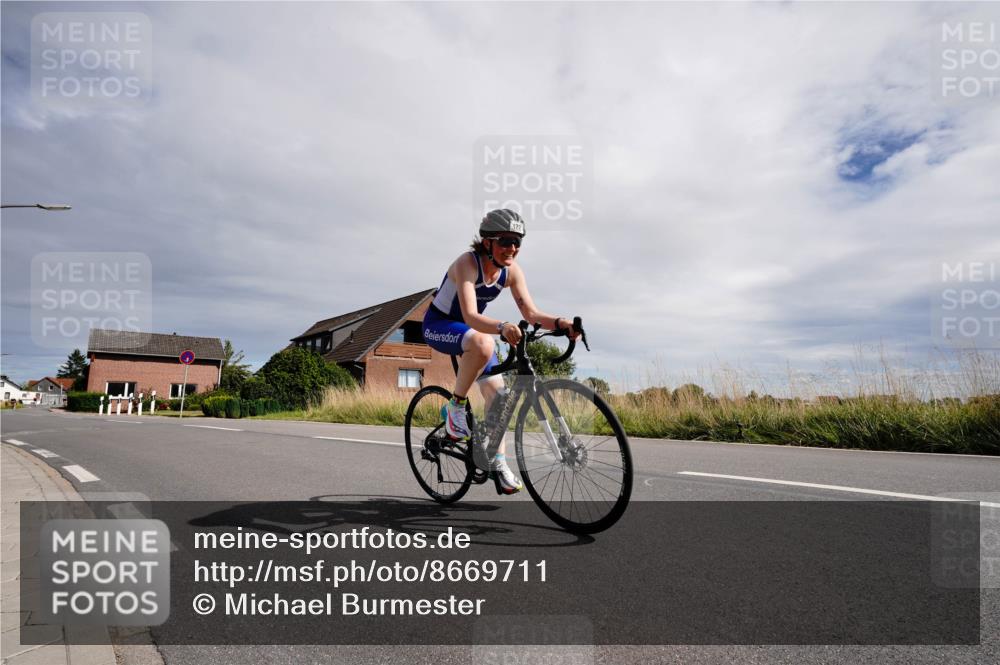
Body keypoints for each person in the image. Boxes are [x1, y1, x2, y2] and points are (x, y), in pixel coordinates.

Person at [422, 209, 580, 494]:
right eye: (506, 241)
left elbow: (531, 313)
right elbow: (469, 316)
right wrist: (503, 326)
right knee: (485, 342)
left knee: (501, 396)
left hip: (472, 334)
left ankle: (497, 461)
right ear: (487, 242)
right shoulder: (467, 263)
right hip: (440, 325)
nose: (513, 248)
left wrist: (561, 323)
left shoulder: (511, 272)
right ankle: (455, 408)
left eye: (518, 242)